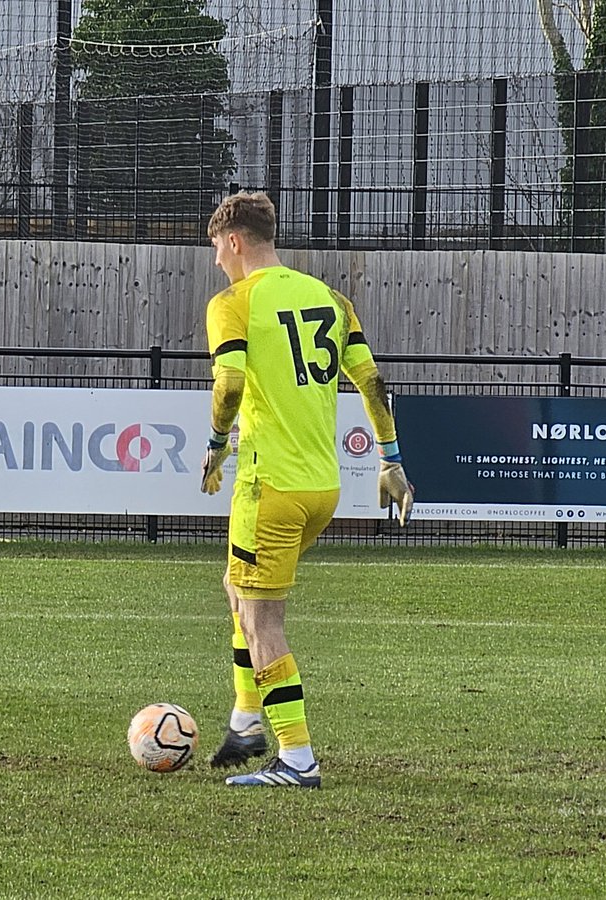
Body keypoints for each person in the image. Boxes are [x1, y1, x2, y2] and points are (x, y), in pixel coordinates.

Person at [199, 191, 413, 788]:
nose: (216, 260)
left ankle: (297, 760)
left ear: (234, 241)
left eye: (217, 248)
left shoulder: (232, 303)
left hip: (270, 485)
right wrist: (390, 461)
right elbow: (372, 383)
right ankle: (246, 721)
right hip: (322, 487)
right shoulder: (330, 299)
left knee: (262, 619)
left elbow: (229, 384)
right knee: (237, 588)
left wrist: (216, 443)